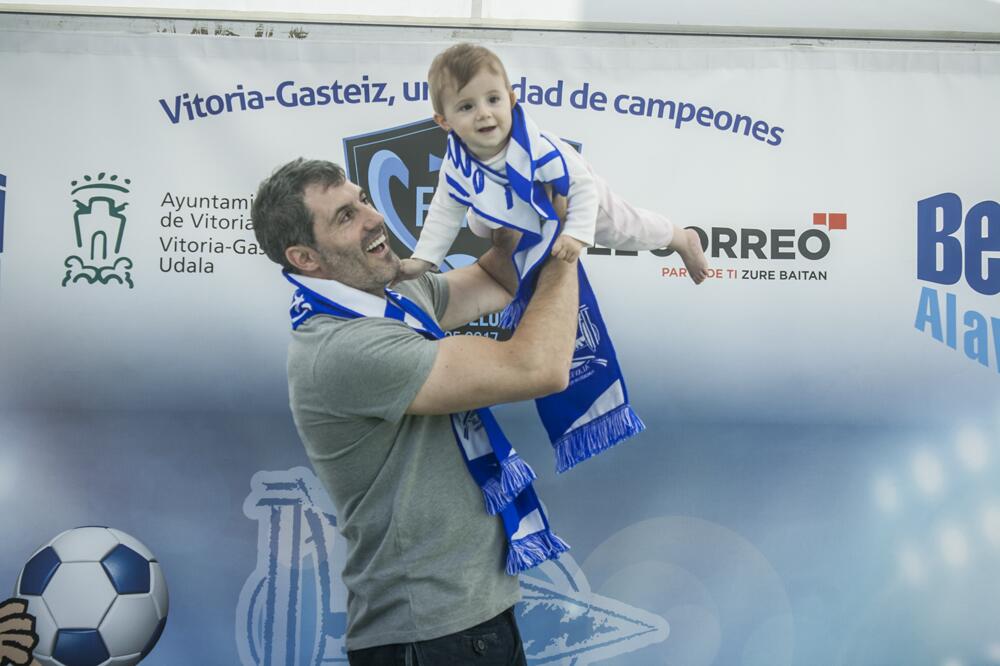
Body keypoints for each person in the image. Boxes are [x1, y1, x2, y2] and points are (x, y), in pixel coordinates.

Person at [251, 158, 579, 665]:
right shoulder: (341, 347)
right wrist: (566, 244)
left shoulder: (393, 295)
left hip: (469, 621)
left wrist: (519, 213)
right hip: (427, 640)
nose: (372, 216)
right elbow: (539, 368)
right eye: (345, 216)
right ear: (305, 257)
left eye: (362, 199)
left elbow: (500, 280)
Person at [397, 42, 709, 284]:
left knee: (620, 227)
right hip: (504, 200)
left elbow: (583, 187)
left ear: (511, 99)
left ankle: (681, 238)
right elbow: (444, 210)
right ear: (444, 121)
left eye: (493, 100)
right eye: (466, 106)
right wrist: (424, 259)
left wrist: (575, 234)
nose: (484, 113)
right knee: (477, 223)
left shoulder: (538, 149)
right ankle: (512, 225)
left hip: (569, 185)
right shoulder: (457, 164)